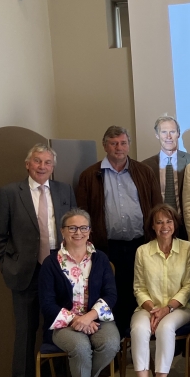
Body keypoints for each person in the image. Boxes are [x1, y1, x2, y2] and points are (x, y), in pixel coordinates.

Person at [0, 144, 77, 377]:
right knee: (25, 329)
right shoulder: (9, 193)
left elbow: (75, 227)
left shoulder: (64, 190)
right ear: (27, 164)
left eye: (47, 162)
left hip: (58, 267)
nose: (42, 166)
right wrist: (8, 265)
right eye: (37, 161)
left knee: (58, 324)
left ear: (53, 167)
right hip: (25, 271)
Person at [76, 125, 162, 337]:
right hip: (107, 247)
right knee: (111, 294)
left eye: (123, 143)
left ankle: (137, 338)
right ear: (105, 146)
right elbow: (82, 214)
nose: (119, 147)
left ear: (129, 145)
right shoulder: (90, 175)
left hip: (140, 244)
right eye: (114, 143)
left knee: (139, 293)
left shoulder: (144, 172)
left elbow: (157, 207)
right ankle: (117, 341)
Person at [38, 208, 119, 377]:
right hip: (65, 323)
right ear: (62, 231)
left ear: (89, 231)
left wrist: (89, 316)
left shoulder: (100, 259)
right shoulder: (50, 263)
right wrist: (77, 319)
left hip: (97, 318)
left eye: (83, 228)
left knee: (111, 344)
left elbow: (111, 295)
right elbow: (47, 303)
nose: (78, 232)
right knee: (81, 347)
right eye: (72, 228)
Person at [131, 203, 190, 377]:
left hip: (179, 308)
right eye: (159, 222)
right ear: (152, 226)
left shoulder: (187, 248)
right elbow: (139, 288)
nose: (164, 226)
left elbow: (189, 285)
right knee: (139, 330)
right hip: (148, 307)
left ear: (175, 224)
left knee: (165, 328)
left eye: (168, 221)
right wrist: (153, 310)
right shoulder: (142, 251)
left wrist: (167, 309)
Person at [142, 115, 190, 240]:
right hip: (159, 228)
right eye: (164, 132)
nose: (168, 136)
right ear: (157, 135)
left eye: (172, 132)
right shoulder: (146, 166)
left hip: (186, 227)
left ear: (178, 134)